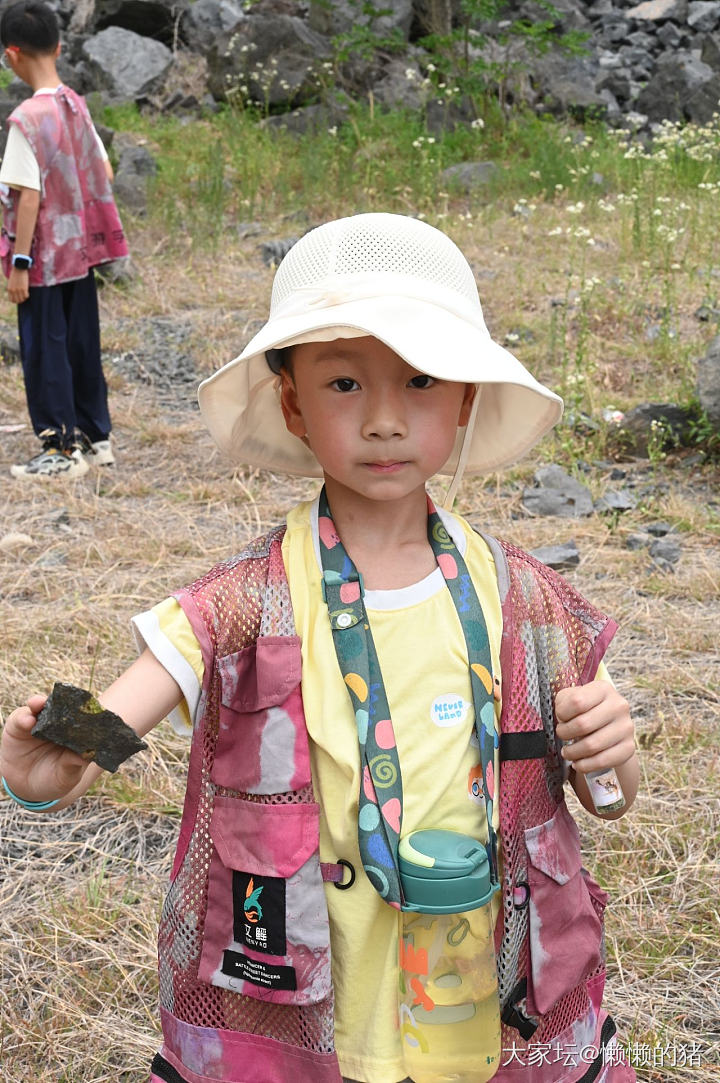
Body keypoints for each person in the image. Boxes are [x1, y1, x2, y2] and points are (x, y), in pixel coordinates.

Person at [0, 212, 640, 1083]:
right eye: (344, 384)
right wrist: (49, 770)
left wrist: (616, 755)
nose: (383, 419)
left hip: (481, 1003)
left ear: (464, 398)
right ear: (293, 403)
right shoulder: (242, 602)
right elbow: (121, 710)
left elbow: (605, 796)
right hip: (315, 1012)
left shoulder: (526, 602)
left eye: (419, 380)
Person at [0, 0, 128, 480]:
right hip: (83, 252)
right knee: (81, 344)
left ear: (12, 55)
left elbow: (27, 197)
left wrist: (19, 262)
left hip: (45, 260)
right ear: (57, 45)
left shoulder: (26, 120)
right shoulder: (76, 106)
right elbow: (105, 170)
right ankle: (96, 440)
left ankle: (59, 448)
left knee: (43, 348)